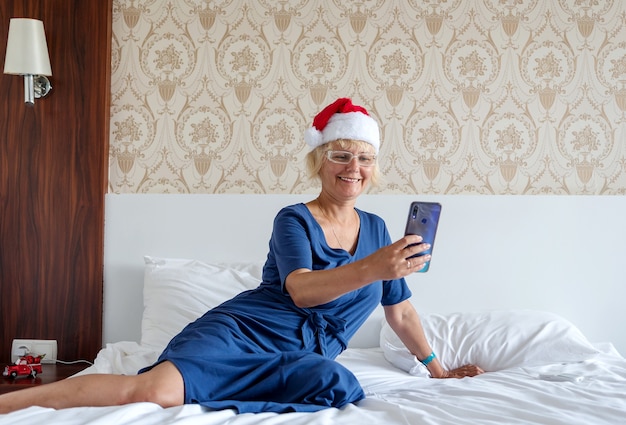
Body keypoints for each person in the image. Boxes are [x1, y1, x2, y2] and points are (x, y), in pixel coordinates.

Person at [0, 98, 483, 415]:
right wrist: (373, 269)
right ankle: (10, 406)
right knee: (151, 392)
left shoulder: (378, 232)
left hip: (303, 356)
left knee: (337, 384)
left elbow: (399, 310)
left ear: (373, 168)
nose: (352, 168)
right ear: (321, 161)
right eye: (340, 155)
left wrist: (438, 370)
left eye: (363, 158)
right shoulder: (293, 219)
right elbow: (301, 289)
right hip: (244, 330)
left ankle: (240, 392)